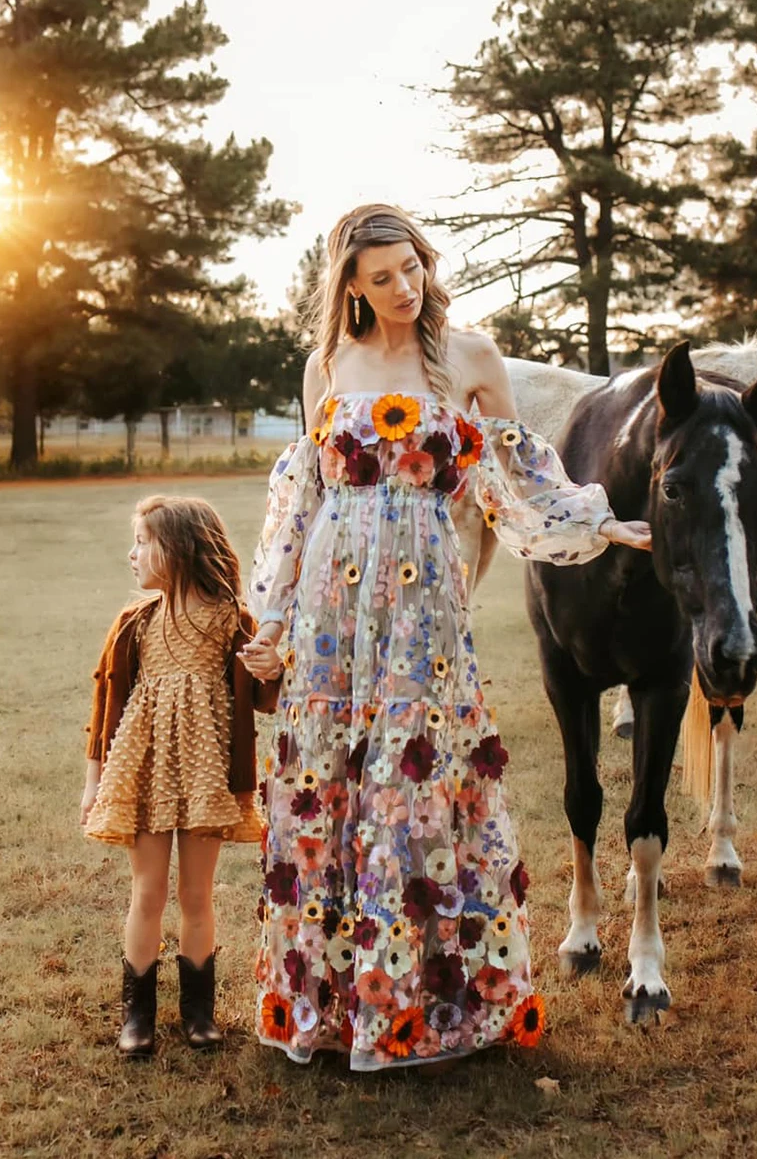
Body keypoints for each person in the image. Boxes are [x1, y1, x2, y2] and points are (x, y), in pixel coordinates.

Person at [239, 204, 650, 1070]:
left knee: (413, 774)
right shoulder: (326, 366)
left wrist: (596, 522)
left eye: (411, 269)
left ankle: (431, 1007)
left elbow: (513, 471)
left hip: (425, 593)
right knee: (334, 781)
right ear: (349, 285)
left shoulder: (469, 357)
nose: (403, 288)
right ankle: (335, 1004)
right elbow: (299, 499)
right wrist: (270, 616)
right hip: (330, 598)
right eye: (381, 277)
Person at [82, 495, 281, 1057]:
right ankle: (137, 1017)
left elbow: (264, 693)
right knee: (147, 892)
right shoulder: (133, 625)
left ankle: (199, 1014)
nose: (132, 554)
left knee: (196, 893)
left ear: (178, 547)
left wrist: (276, 667)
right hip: (143, 774)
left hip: (204, 778)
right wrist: (94, 783)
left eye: (143, 542)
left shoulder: (230, 618)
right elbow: (106, 708)